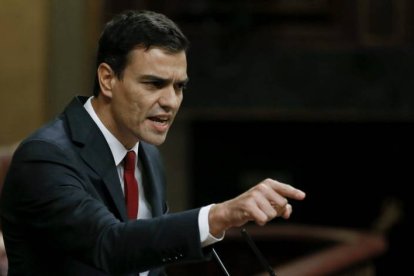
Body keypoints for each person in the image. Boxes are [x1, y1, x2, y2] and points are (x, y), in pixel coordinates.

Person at [0, 10, 305, 276]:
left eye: (179, 87)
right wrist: (217, 216)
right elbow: (110, 245)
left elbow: (146, 261)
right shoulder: (45, 157)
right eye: (154, 84)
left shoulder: (146, 153)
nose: (171, 102)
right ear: (108, 79)